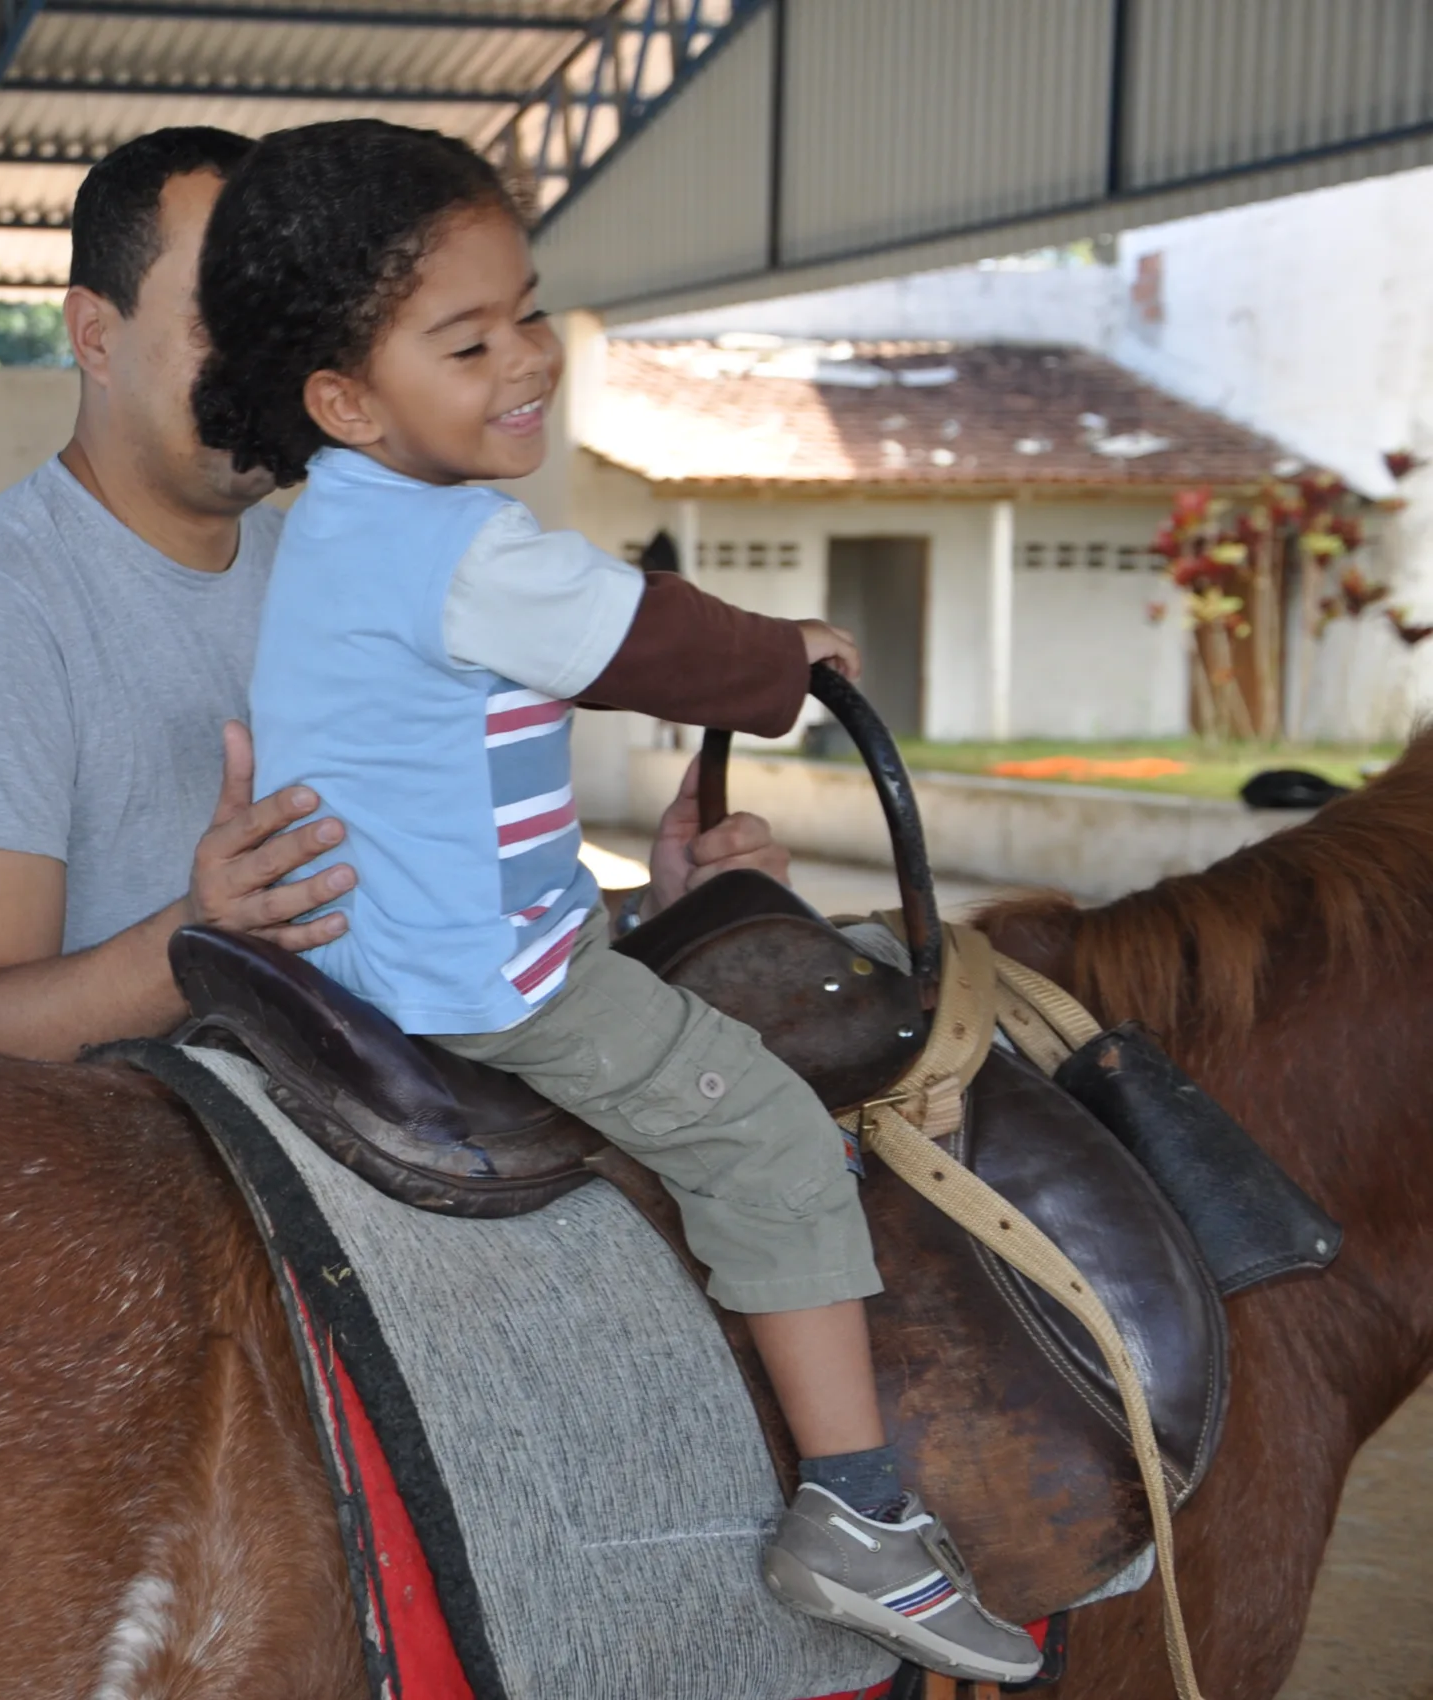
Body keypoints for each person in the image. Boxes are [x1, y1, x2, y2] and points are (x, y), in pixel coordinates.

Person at [191, 119, 1041, 1686]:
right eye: (467, 341)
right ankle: (854, 1513)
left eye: (528, 312)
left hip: (374, 944)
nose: (524, 359)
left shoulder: (338, 529)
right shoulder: (459, 546)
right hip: (484, 977)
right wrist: (783, 660)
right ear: (346, 399)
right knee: (767, 1130)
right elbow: (650, 638)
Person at [0, 126, 792, 1062]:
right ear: (96, 336)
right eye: (220, 320)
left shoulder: (340, 563)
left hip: (345, 1137)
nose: (265, 367)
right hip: (96, 1172)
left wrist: (651, 911)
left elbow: (428, 924)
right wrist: (198, 938)